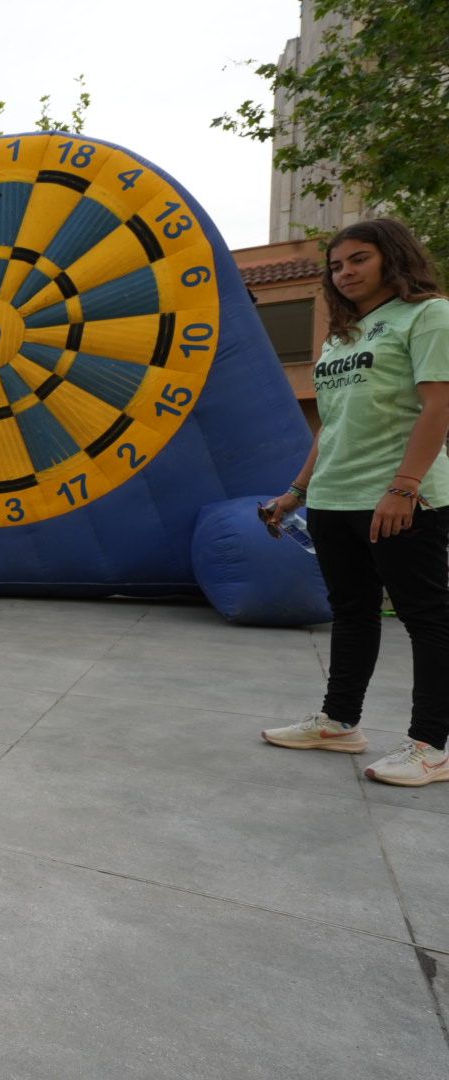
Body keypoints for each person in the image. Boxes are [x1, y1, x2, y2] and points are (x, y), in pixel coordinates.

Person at [261, 218, 449, 787]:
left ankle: (430, 745)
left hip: (400, 495)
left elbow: (439, 404)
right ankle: (340, 722)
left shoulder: (428, 315)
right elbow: (333, 426)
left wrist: (404, 486)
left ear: (392, 258)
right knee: (352, 612)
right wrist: (297, 492)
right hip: (336, 497)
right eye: (337, 265)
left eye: (358, 260)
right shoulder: (341, 337)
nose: (344, 273)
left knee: (427, 619)